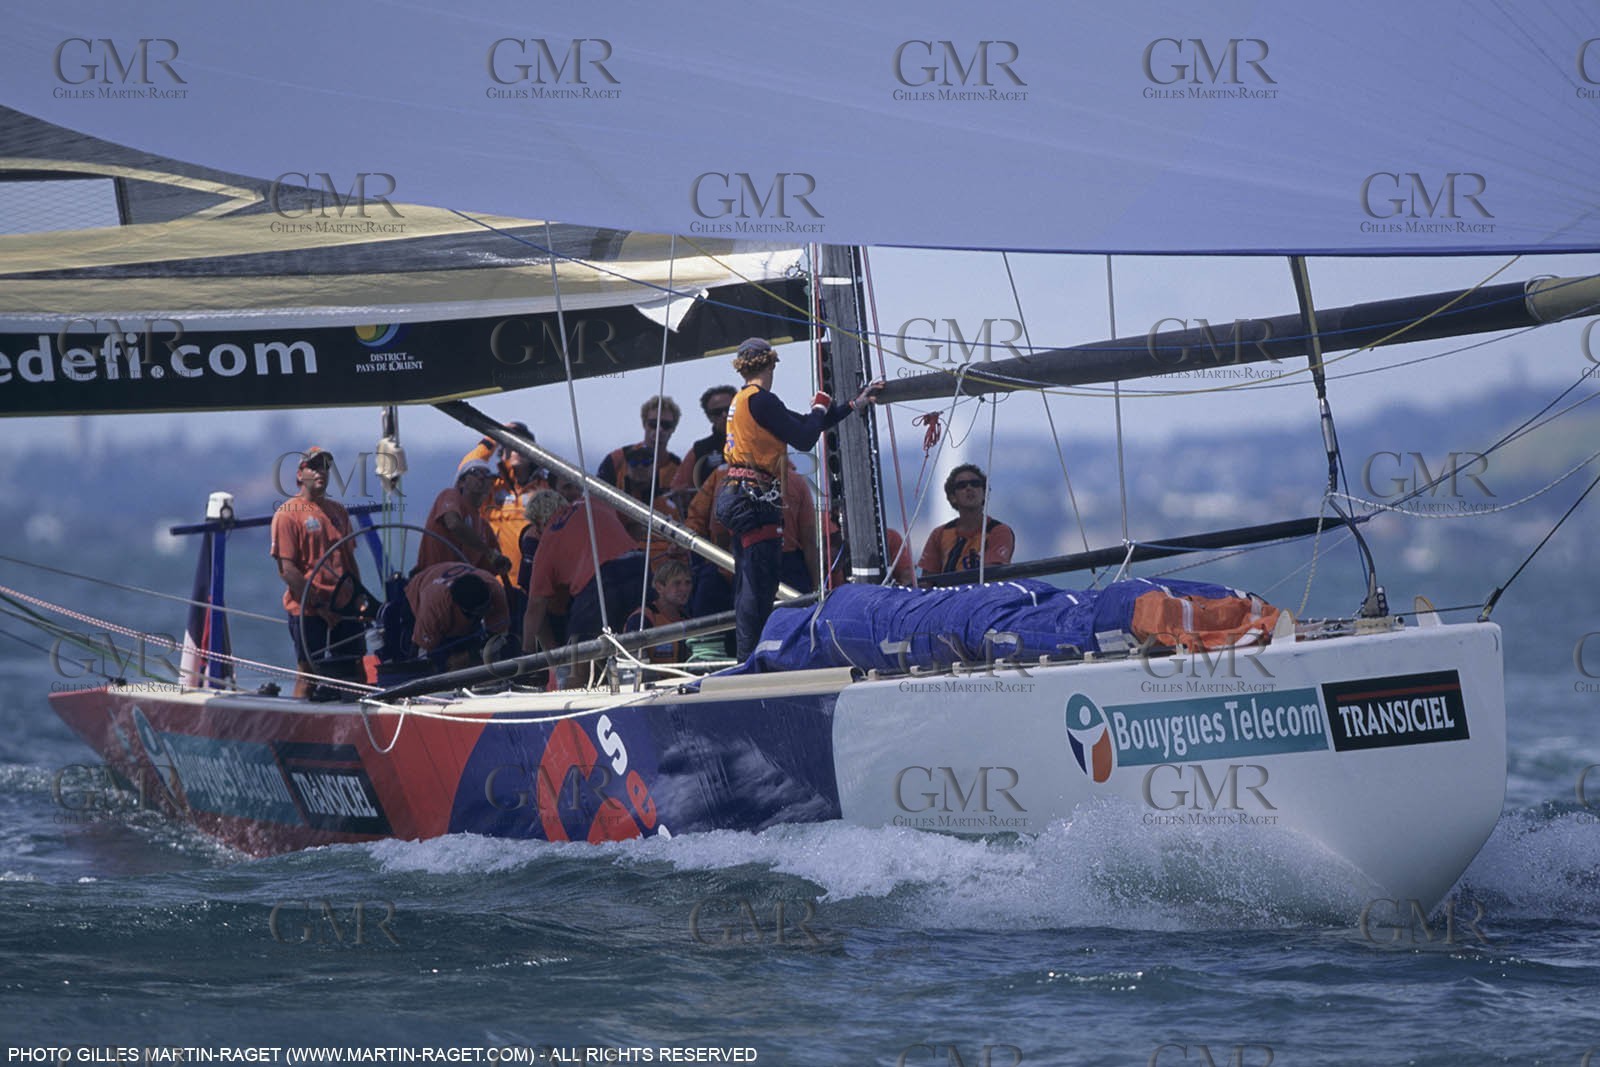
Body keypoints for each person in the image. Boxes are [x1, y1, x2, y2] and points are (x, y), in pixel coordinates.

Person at [714, 337, 883, 659]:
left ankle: (750, 656)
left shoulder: (746, 400)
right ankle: (751, 660)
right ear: (771, 363)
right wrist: (819, 405)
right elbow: (806, 436)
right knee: (759, 586)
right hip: (754, 498)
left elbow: (807, 423)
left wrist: (851, 405)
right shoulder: (762, 401)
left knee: (751, 581)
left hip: (739, 494)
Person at [269, 446, 366, 697]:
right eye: (314, 466)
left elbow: (349, 560)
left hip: (344, 606)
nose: (321, 472)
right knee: (309, 672)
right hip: (309, 609)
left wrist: (359, 597)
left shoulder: (338, 511)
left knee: (354, 670)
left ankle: (357, 720)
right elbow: (287, 571)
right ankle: (297, 726)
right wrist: (319, 606)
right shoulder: (287, 515)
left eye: (325, 467)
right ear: (300, 474)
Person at [522, 491, 647, 686]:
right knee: (642, 636)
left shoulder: (547, 541)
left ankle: (572, 712)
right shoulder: (594, 501)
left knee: (577, 661)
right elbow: (637, 521)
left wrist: (526, 656)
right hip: (639, 565)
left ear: (538, 522)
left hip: (600, 584)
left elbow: (535, 608)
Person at [459, 420, 549, 582]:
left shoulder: (545, 488)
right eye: (511, 443)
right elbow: (465, 470)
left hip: (533, 582)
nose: (516, 449)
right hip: (495, 580)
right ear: (502, 450)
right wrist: (494, 435)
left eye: (521, 443)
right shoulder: (489, 487)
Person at [598, 395, 683, 552]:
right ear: (644, 424)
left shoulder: (679, 469)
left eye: (666, 425)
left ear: (673, 429)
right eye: (653, 424)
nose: (659, 430)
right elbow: (595, 503)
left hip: (661, 548)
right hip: (616, 541)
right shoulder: (617, 459)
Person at [404, 562, 511, 672]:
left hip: (443, 579)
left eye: (488, 605)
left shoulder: (494, 589)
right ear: (462, 609)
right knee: (436, 663)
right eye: (482, 610)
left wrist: (470, 655)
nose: (490, 609)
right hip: (421, 588)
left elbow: (500, 638)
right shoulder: (435, 609)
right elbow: (423, 652)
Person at [917, 464, 1016, 582]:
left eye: (975, 484)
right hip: (946, 598)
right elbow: (927, 581)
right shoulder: (939, 534)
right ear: (952, 497)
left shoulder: (999, 531)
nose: (969, 488)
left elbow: (992, 576)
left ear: (984, 493)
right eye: (962, 485)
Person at [415, 459, 510, 575]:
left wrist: (502, 564)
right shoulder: (450, 496)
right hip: (433, 578)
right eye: (475, 472)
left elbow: (494, 566)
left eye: (488, 476)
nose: (482, 478)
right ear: (461, 482)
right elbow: (454, 524)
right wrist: (488, 552)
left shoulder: (484, 528)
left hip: (461, 584)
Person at [668, 385, 737, 514]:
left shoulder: (756, 441)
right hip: (711, 520)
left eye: (729, 410)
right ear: (709, 416)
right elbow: (677, 489)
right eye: (717, 412)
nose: (724, 415)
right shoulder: (700, 450)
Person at [622, 559, 694, 665]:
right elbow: (634, 663)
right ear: (659, 587)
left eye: (688, 583)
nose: (684, 588)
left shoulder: (687, 619)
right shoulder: (642, 619)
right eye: (677, 583)